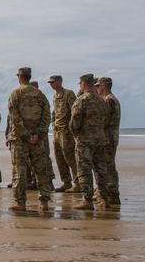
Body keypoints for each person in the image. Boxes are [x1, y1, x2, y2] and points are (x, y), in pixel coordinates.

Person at [7, 67, 53, 213]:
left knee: (19, 171)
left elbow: (14, 118)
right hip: (37, 140)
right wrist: (37, 134)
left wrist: (26, 135)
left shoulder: (15, 94)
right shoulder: (40, 95)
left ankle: (21, 203)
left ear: (20, 77)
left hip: (20, 139)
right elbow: (47, 118)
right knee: (41, 171)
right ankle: (44, 203)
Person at [69, 73, 110, 210]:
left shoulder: (81, 100)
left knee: (84, 170)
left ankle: (87, 200)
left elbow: (74, 122)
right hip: (99, 139)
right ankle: (104, 198)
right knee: (101, 170)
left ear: (83, 84)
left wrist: (77, 135)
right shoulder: (102, 100)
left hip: (85, 141)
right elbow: (105, 120)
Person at [48, 74, 78, 193]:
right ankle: (66, 182)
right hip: (57, 131)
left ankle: (78, 182)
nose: (51, 84)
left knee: (70, 157)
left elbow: (75, 111)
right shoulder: (55, 96)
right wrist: (54, 124)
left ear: (59, 81)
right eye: (50, 83)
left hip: (66, 131)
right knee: (59, 157)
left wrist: (71, 126)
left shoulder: (69, 94)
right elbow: (55, 112)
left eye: (53, 82)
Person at [96, 77, 121, 207]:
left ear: (104, 86)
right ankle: (111, 192)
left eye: (98, 86)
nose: (97, 89)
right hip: (110, 136)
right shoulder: (111, 99)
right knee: (108, 164)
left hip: (108, 137)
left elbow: (103, 120)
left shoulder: (108, 100)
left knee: (108, 165)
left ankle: (112, 193)